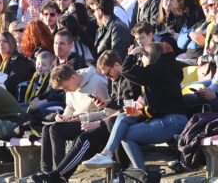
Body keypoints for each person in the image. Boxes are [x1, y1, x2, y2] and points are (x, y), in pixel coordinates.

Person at [81, 42, 189, 172]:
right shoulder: (160, 70)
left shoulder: (159, 70)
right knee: (123, 117)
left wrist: (131, 54)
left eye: (142, 56)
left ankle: (136, 169)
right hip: (165, 118)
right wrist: (140, 112)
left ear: (149, 56)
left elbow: (126, 70)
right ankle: (109, 155)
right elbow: (160, 103)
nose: (141, 60)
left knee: (125, 133)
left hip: (172, 121)